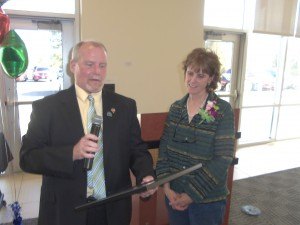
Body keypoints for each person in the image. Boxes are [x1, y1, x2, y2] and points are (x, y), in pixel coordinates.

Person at [19, 40, 156, 225]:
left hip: (113, 210)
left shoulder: (124, 106)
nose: (97, 72)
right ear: (73, 66)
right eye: (89, 64)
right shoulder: (47, 108)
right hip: (66, 210)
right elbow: (28, 158)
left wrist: (145, 175)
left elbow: (137, 150)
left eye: (102, 65)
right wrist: (71, 153)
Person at [155, 48, 235, 225]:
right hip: (174, 195)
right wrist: (166, 187)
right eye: (190, 73)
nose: (192, 80)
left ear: (211, 78)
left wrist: (191, 194)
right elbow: (164, 149)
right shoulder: (176, 108)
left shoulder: (220, 110)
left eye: (200, 76)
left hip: (207, 200)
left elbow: (223, 158)